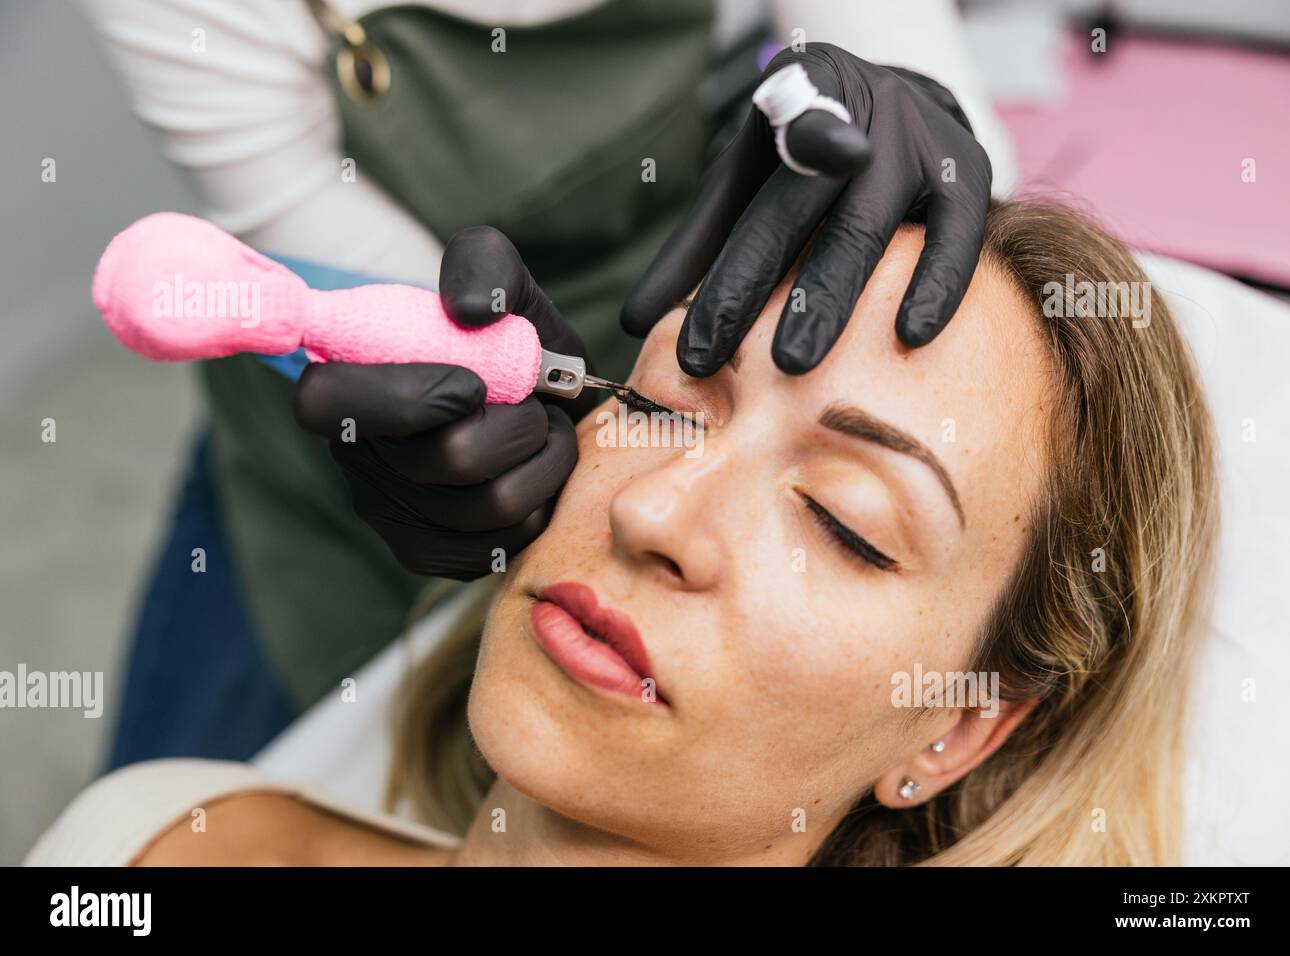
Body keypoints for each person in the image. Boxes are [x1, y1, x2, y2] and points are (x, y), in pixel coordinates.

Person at [27, 199, 1219, 866]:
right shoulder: (155, 841)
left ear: (959, 725)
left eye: (843, 521)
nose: (653, 509)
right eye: (655, 406)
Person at [84, 0, 1012, 765]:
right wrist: (496, 383)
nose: (653, 515)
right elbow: (300, 225)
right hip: (337, 451)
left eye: (840, 521)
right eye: (679, 414)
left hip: (668, 273)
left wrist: (915, 99)